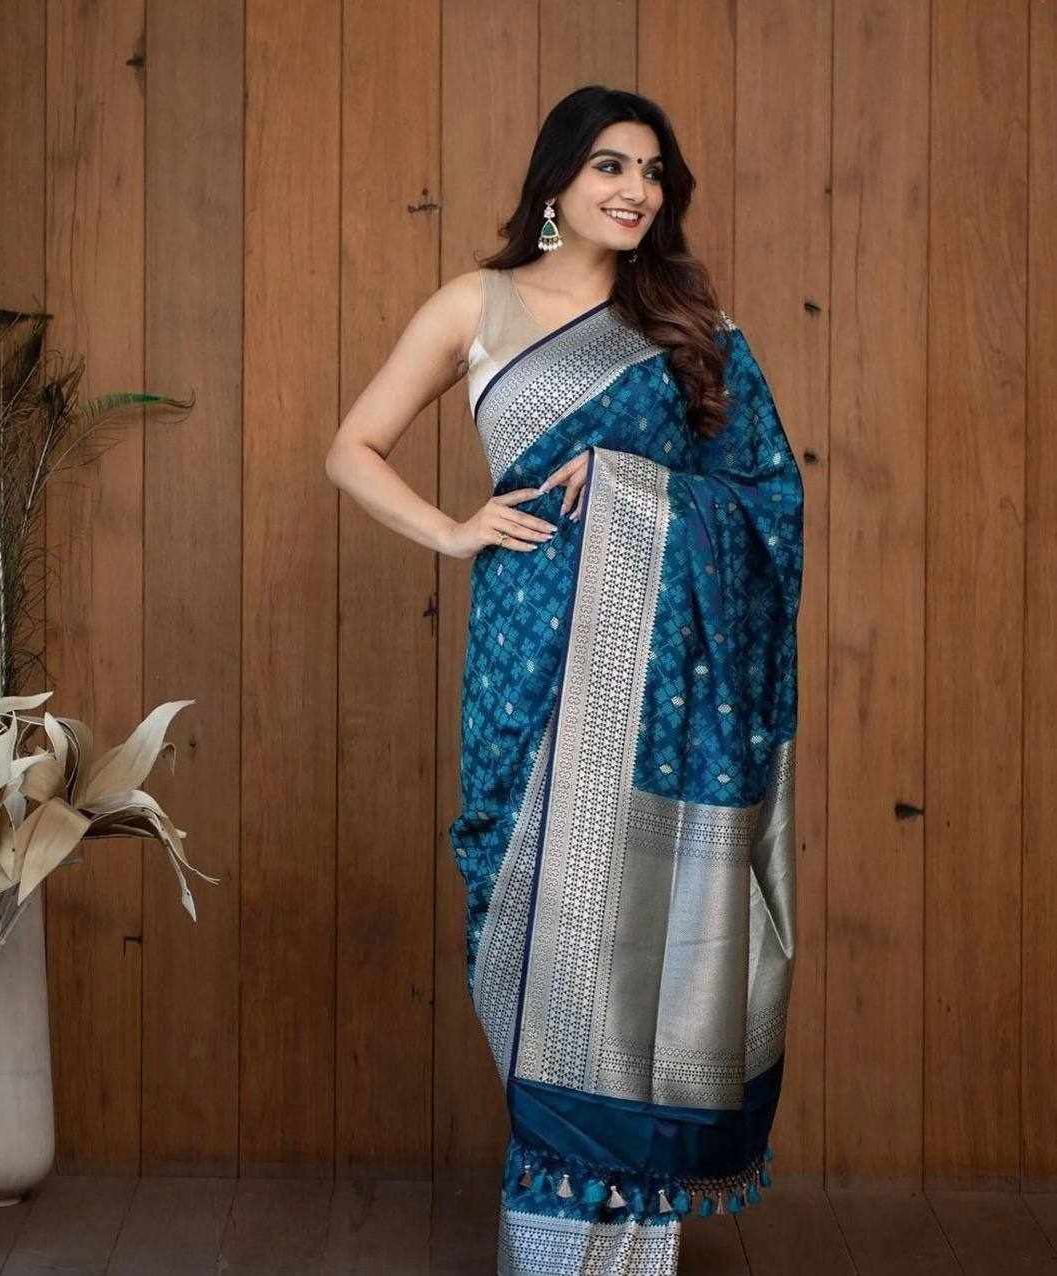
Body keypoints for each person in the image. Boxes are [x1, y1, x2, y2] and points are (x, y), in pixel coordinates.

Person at [326, 83, 803, 1276]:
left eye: (652, 171)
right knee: (518, 908)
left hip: (660, 695)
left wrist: (639, 487)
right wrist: (453, 530)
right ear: (557, 181)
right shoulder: (477, 303)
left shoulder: (689, 323)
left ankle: (622, 1247)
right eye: (610, 165)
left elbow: (767, 500)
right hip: (526, 658)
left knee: (634, 941)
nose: (636, 189)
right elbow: (351, 446)